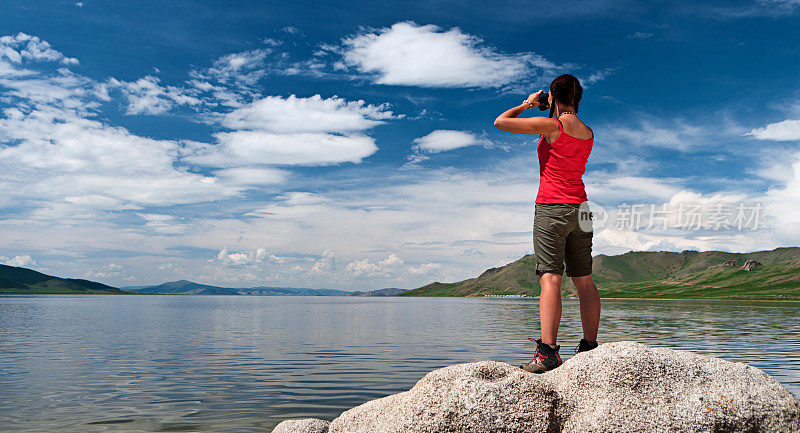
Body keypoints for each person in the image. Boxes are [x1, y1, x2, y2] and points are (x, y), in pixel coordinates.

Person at [493, 74, 601, 373]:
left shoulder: (553, 126)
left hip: (552, 207)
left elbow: (500, 122)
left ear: (552, 95)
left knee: (550, 278)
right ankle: (589, 347)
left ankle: (548, 353)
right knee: (584, 279)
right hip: (581, 209)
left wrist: (529, 103)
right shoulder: (588, 132)